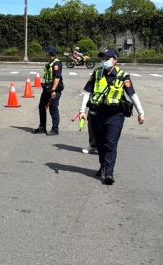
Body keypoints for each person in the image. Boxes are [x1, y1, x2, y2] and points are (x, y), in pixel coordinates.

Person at [78, 48, 146, 185]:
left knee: (110, 143)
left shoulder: (123, 76)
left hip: (115, 115)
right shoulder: (97, 72)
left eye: (107, 58)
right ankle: (103, 165)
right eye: (102, 58)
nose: (104, 61)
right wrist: (82, 111)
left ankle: (109, 172)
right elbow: (88, 92)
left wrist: (141, 112)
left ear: (115, 60)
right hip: (97, 114)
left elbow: (132, 94)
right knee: (100, 143)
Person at [34, 46, 63, 136]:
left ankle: (55, 129)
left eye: (46, 52)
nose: (45, 54)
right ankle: (42, 127)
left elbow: (57, 77)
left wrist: (53, 90)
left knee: (53, 109)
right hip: (47, 89)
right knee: (42, 107)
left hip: (54, 90)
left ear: (50, 53)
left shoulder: (56, 64)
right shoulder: (50, 63)